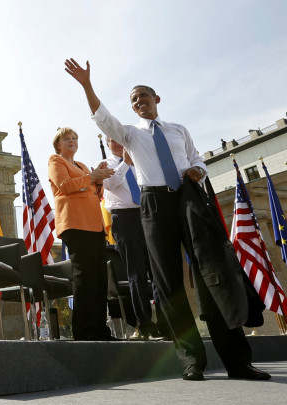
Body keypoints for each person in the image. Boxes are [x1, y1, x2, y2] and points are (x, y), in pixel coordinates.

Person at [64, 58, 270, 381]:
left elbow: (196, 157)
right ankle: (191, 359)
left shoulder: (178, 130)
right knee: (168, 283)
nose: (139, 102)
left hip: (188, 198)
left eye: (143, 96)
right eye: (133, 100)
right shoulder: (131, 135)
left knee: (211, 273)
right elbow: (103, 119)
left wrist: (198, 170)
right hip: (154, 205)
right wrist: (87, 85)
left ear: (156, 99)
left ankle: (237, 361)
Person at [48, 127, 115, 341]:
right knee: (85, 278)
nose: (72, 141)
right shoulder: (56, 161)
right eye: (67, 138)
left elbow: (96, 194)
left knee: (99, 279)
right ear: (58, 144)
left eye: (75, 138)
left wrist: (99, 181)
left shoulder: (83, 166)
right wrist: (91, 177)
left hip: (95, 226)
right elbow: (65, 186)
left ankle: (100, 330)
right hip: (75, 224)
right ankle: (84, 332)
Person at [99, 137, 159, 339]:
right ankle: (145, 323)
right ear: (108, 145)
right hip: (125, 219)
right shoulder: (106, 164)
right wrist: (125, 163)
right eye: (111, 141)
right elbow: (109, 184)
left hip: (147, 215)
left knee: (158, 271)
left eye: (119, 139)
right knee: (136, 273)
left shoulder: (140, 159)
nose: (116, 143)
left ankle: (167, 323)